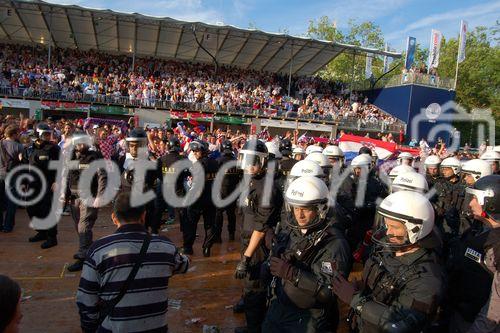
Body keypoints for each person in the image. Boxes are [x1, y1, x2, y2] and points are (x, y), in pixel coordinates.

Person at [332, 191, 445, 332]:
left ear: (415, 230)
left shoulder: (428, 279)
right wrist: (361, 286)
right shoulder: (386, 248)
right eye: (387, 225)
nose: (388, 232)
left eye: (395, 227)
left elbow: (400, 325)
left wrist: (356, 300)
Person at [75, 192, 189, 333]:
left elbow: (86, 300)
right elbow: (184, 265)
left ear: (114, 218)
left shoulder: (99, 250)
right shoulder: (165, 247)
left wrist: (89, 328)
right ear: (143, 216)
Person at [262, 176, 351, 332]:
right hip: (280, 306)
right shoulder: (292, 230)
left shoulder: (333, 243)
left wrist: (293, 274)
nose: (299, 215)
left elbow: (328, 292)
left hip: (309, 317)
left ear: (320, 209)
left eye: (306, 209)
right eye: (296, 208)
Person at [234, 139, 282, 333]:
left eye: (254, 161)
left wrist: (246, 257)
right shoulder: (251, 180)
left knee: (255, 288)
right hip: (248, 240)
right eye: (246, 159)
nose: (249, 165)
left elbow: (261, 227)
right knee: (249, 286)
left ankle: (254, 329)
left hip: (258, 246)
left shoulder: (266, 187)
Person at [447, 175, 500, 333]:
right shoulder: (478, 228)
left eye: (475, 199)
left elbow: (495, 309)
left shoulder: (497, 246)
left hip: (476, 322)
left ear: (490, 203)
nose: (470, 203)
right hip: (462, 311)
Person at [65, 132, 107, 272]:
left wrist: (100, 196)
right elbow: (67, 176)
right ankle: (89, 251)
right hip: (73, 197)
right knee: (80, 227)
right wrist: (64, 194)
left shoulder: (94, 157)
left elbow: (102, 176)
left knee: (84, 227)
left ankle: (83, 258)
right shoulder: (71, 157)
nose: (81, 145)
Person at [26, 123, 61, 249]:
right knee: (31, 208)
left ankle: (52, 237)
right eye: (44, 133)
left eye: (48, 133)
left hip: (48, 183)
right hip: (33, 183)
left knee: (48, 210)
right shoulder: (32, 148)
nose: (47, 136)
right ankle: (42, 232)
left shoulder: (54, 148)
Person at [183, 139, 219, 257]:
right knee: (209, 225)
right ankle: (207, 248)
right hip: (211, 199)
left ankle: (188, 248)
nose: (194, 153)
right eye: (193, 150)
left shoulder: (197, 165)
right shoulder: (214, 163)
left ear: (202, 151)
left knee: (191, 224)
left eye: (196, 151)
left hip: (197, 199)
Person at [215, 140, 241, 242]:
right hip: (233, 191)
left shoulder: (218, 161)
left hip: (221, 191)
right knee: (231, 214)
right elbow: (241, 176)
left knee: (219, 214)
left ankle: (218, 236)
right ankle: (231, 235)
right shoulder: (237, 162)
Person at [0, 125, 23, 232]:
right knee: (11, 201)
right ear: (14, 134)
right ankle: (8, 226)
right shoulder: (18, 146)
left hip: (0, 173)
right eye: (18, 133)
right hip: (13, 174)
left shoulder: (0, 143)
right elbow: (22, 160)